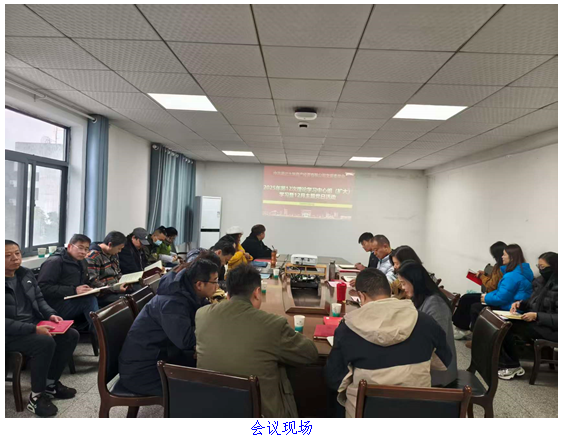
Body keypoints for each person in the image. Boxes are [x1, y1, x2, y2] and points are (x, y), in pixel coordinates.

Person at [325, 268, 452, 418]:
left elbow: (334, 379)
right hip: (415, 414)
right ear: (389, 291)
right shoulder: (425, 321)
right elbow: (444, 362)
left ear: (361, 296)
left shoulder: (348, 328)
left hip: (367, 414)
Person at [196, 264, 318, 418]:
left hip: (212, 410)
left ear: (228, 294)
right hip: (261, 417)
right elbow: (310, 354)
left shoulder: (202, 315)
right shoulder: (273, 325)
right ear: (257, 292)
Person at [119, 253, 220, 396]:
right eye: (215, 282)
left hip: (164, 356)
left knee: (215, 370)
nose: (217, 286)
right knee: (211, 384)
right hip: (144, 372)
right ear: (199, 284)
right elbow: (186, 340)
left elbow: (203, 316)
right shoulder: (172, 302)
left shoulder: (189, 292)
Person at [5, 240, 79, 417]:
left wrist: (51, 315)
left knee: (71, 335)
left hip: (32, 324)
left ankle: (50, 384)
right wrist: (33, 329)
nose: (15, 258)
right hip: (9, 333)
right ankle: (36, 397)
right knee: (44, 342)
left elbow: (39, 299)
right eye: (7, 255)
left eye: (17, 253)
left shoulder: (25, 274)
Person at [397, 261, 457, 387]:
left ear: (414, 281)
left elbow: (435, 342)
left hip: (439, 370)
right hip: (427, 360)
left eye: (404, 283)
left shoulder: (435, 305)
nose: (402, 287)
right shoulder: (421, 298)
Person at [498, 252, 558, 380]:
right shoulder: (541, 281)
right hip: (541, 323)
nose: (540, 270)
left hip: (554, 330)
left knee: (508, 327)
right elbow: (533, 302)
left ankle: (512, 366)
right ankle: (501, 361)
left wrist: (536, 316)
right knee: (502, 323)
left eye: (543, 267)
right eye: (538, 266)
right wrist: (520, 304)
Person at [468, 244, 534, 347]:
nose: (502, 257)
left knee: (476, 308)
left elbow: (500, 298)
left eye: (504, 255)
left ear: (512, 257)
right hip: (513, 305)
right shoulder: (522, 271)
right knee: (475, 302)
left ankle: (479, 342)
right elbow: (501, 292)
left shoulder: (512, 276)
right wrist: (486, 297)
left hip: (511, 309)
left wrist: (486, 298)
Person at [37, 234, 99, 332]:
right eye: (80, 248)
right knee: (89, 301)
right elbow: (43, 288)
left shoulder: (82, 261)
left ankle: (100, 332)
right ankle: (100, 336)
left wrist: (91, 288)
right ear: (70, 246)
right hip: (54, 306)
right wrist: (74, 290)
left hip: (72, 299)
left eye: (86, 249)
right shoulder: (54, 262)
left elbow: (84, 281)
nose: (83, 252)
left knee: (96, 298)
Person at [452, 241, 507, 340]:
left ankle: (465, 330)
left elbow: (492, 285)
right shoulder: (498, 265)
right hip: (491, 295)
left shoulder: (503, 268)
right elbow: (494, 280)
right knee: (465, 298)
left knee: (472, 303)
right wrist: (485, 274)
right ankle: (461, 327)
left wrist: (482, 277)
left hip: (494, 297)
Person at [86, 231, 128, 307]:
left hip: (115, 288)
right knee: (128, 301)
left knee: (139, 292)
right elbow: (94, 282)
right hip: (103, 293)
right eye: (119, 248)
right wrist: (115, 288)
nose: (119, 251)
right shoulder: (93, 256)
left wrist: (124, 281)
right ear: (110, 244)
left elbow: (118, 272)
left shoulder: (113, 254)